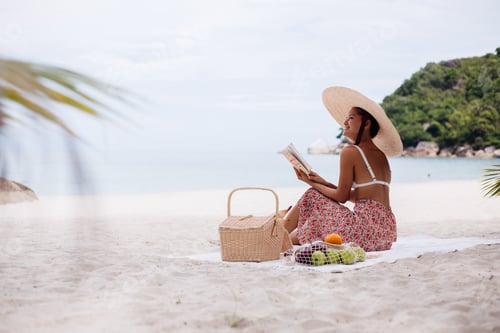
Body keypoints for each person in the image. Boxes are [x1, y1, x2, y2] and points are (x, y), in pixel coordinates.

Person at [284, 86, 403, 251]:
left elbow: (341, 197)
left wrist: (309, 182)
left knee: (311, 195)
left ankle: (274, 237)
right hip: (385, 234)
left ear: (366, 124)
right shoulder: (381, 156)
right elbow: (358, 196)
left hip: (364, 231)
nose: (345, 122)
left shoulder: (350, 152)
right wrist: (322, 181)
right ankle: (283, 237)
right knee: (304, 230)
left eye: (351, 118)